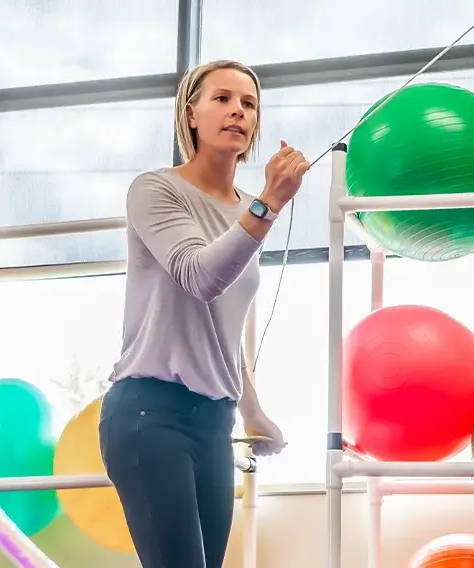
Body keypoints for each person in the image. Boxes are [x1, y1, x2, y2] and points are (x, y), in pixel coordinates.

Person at [99, 59, 310, 568]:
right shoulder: (155, 190)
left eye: (249, 103)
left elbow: (220, 329)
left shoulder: (245, 207)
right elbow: (200, 276)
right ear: (191, 113)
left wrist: (251, 411)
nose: (237, 110)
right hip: (150, 413)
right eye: (222, 98)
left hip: (214, 424)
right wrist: (268, 204)